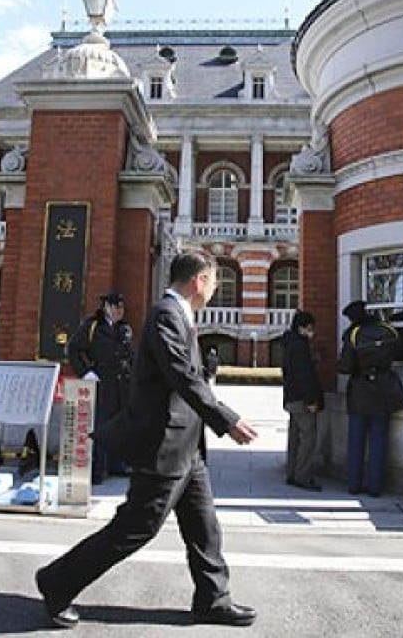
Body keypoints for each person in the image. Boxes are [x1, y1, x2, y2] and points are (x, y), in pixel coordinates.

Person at [35, 250, 259, 629]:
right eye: (215, 282)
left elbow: (192, 376)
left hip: (188, 449)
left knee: (204, 528)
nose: (215, 290)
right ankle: (57, 582)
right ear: (199, 281)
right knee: (136, 528)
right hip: (164, 446)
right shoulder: (165, 316)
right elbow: (182, 377)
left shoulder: (180, 317)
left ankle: (213, 599)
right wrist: (226, 419)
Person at [336, 300, 403, 496]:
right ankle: (375, 487)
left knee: (356, 440)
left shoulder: (354, 334)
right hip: (384, 389)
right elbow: (401, 351)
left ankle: (354, 484)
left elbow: (344, 367)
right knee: (379, 440)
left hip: (360, 390)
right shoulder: (389, 330)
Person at [66, 292, 130, 483]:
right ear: (106, 308)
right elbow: (73, 349)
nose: (119, 311)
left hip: (122, 384)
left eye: (121, 308)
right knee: (102, 426)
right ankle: (99, 469)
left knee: (120, 425)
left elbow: (130, 355)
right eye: (115, 307)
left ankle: (117, 464)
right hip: (102, 382)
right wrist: (85, 372)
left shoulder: (124, 328)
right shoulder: (93, 326)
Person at [280, 310, 324, 491]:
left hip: (291, 398)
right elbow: (304, 376)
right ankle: (303, 476)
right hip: (302, 399)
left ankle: (292, 473)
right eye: (310, 328)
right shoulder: (300, 346)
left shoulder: (289, 344)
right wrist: (311, 400)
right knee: (308, 439)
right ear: (302, 328)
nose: (312, 332)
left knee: (294, 439)